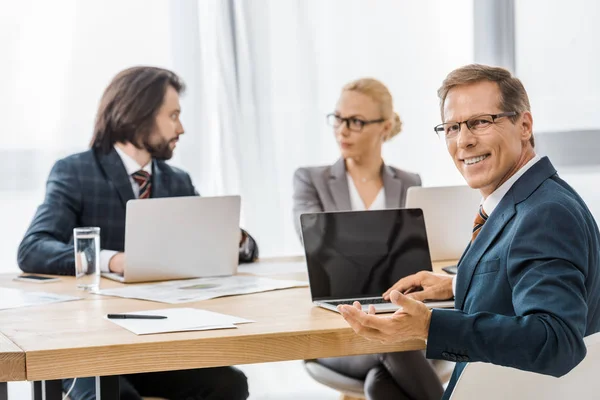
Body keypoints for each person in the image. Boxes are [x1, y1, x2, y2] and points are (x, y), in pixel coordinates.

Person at [337, 64, 600, 400]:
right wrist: (458, 283)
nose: (464, 141)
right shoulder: (526, 200)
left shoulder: (545, 214)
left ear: (524, 125)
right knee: (383, 385)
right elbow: (520, 270)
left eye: (480, 122)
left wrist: (430, 326)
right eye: (452, 127)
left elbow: (555, 341)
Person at [17, 66, 255, 400]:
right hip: (88, 345)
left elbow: (239, 248)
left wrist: (237, 239)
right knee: (117, 395)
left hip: (154, 339)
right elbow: (33, 249)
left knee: (229, 384)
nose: (181, 128)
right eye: (173, 115)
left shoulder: (177, 181)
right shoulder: (75, 172)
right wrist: (112, 260)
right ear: (138, 114)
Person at [293, 78, 443, 400]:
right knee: (392, 344)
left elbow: (413, 256)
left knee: (381, 383)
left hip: (398, 314)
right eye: (338, 118)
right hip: (340, 328)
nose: (342, 130)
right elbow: (315, 246)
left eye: (356, 122)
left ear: (384, 127)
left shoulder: (408, 182)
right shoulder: (311, 180)